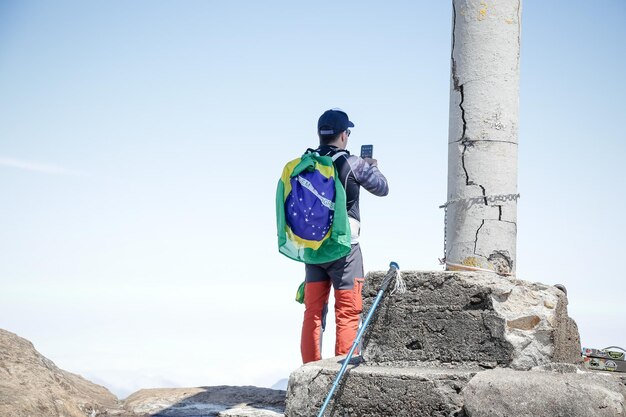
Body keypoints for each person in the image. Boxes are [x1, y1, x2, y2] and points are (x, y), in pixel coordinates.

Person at [301, 108, 389, 363]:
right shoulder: (352, 163)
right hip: (345, 249)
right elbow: (383, 188)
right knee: (348, 311)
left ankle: (309, 372)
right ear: (343, 135)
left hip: (313, 248)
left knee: (313, 313)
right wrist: (372, 167)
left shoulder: (306, 163)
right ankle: (342, 378)